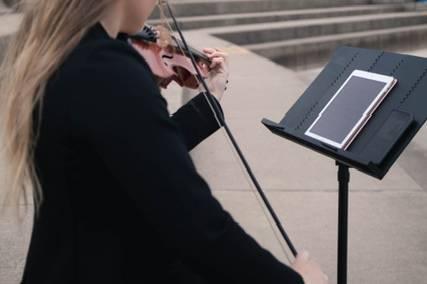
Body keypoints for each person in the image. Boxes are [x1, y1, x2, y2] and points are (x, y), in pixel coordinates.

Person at [0, 0, 329, 283]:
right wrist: (294, 280)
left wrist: (210, 96)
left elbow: (140, 158)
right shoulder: (109, 71)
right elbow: (198, 227)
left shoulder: (73, 53)